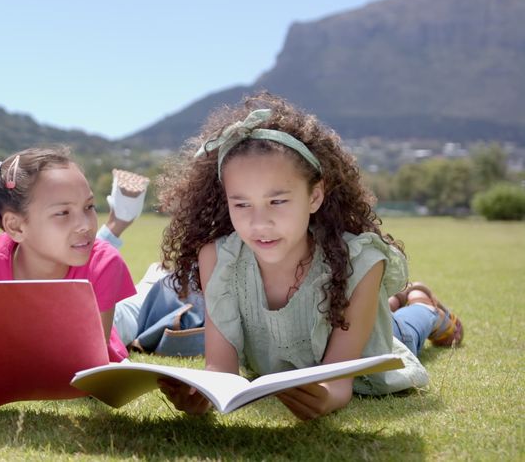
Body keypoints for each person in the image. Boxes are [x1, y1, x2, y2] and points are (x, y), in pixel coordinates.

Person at [155, 93, 464, 420]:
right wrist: (201, 395)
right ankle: (399, 300)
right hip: (337, 326)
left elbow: (338, 382)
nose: (259, 222)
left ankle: (424, 307)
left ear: (314, 196)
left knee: (402, 332)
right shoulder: (219, 258)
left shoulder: (359, 262)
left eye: (277, 201)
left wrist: (328, 395)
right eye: (242, 204)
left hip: (368, 349)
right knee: (375, 310)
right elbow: (221, 368)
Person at [0, 147, 138, 362]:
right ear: (16, 227)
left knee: (136, 312)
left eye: (89, 206)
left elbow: (89, 358)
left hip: (118, 323)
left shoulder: (104, 264)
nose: (85, 225)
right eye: (63, 212)